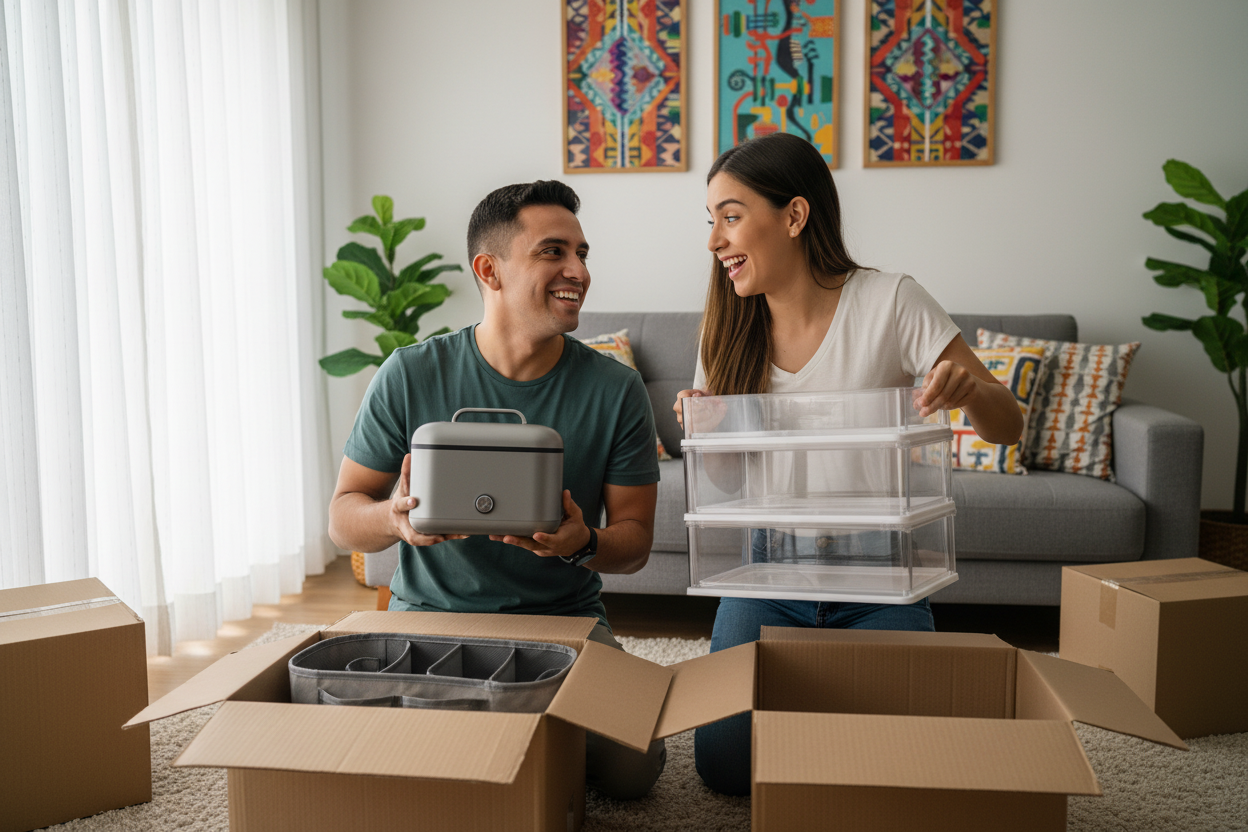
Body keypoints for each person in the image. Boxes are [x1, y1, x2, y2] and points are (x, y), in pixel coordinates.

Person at [673, 133, 1023, 796]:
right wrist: (710, 434)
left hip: (880, 571)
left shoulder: (891, 300)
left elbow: (1010, 427)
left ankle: (826, 716)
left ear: (794, 216)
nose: (715, 240)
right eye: (711, 220)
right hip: (767, 570)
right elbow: (725, 482)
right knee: (724, 767)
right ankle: (824, 715)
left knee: (904, 767)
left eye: (731, 216)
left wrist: (971, 392)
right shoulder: (726, 329)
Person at [328, 180, 666, 799]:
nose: (578, 271)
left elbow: (635, 542)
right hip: (430, 620)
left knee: (632, 767)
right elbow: (343, 517)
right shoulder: (410, 372)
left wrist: (582, 542)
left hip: (563, 623)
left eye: (582, 253)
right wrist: (394, 520)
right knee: (363, 748)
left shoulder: (615, 389)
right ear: (490, 270)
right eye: (553, 252)